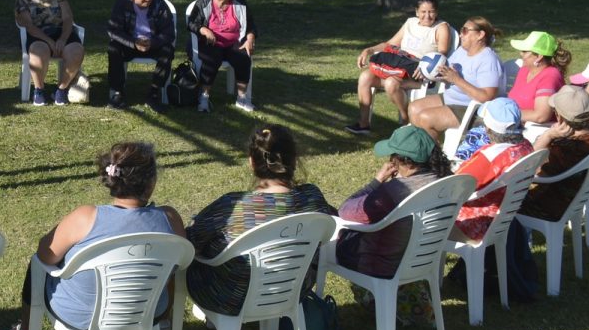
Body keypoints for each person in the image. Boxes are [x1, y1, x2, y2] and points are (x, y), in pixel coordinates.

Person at [0, 142, 185, 330]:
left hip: (82, 316)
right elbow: (179, 264)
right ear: (151, 182)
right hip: (149, 312)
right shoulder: (170, 219)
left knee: (37, 265)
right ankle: (164, 325)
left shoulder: (86, 218)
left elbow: (45, 255)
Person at [185, 125, 335, 315]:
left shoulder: (232, 206)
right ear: (294, 160)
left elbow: (190, 242)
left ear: (252, 162)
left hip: (231, 299)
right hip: (292, 291)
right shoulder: (313, 197)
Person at [334, 125, 452, 279]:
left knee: (332, 221)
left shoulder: (395, 191)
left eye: (393, 156)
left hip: (381, 266)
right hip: (423, 261)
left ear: (406, 162)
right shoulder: (447, 181)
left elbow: (344, 211)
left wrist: (377, 181)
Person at [347, 0, 454, 135]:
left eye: (431, 12)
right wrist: (369, 50)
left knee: (391, 83)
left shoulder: (441, 28)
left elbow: (441, 55)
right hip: (399, 67)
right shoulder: (410, 23)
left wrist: (425, 68)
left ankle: (405, 119)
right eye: (423, 12)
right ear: (417, 12)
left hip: (420, 74)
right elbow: (389, 44)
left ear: (437, 12)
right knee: (365, 77)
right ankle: (363, 124)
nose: (427, 16)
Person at [407, 16, 505, 142]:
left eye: (465, 31)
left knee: (425, 118)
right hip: (452, 98)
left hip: (471, 108)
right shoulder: (462, 51)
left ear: (480, 35)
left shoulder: (488, 60)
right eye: (461, 30)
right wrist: (428, 71)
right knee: (414, 108)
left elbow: (487, 96)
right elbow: (446, 71)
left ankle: (431, 152)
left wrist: (456, 80)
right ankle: (422, 146)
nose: (460, 34)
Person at [449, 98, 534, 244]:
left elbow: (453, 187)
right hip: (503, 220)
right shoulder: (526, 146)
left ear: (488, 129)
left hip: (476, 223)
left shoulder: (490, 157)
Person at [520, 85, 589, 222]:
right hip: (575, 197)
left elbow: (526, 166)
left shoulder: (564, 147)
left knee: (501, 199)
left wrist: (547, 136)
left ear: (559, 117)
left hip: (549, 204)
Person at [14, 0, 85, 107]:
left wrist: (63, 38)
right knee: (39, 52)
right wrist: (50, 42)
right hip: (37, 35)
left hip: (61, 31)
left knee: (76, 51)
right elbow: (29, 26)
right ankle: (39, 90)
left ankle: (62, 89)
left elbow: (68, 17)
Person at [186, 0, 257, 113]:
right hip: (211, 43)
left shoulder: (239, 2)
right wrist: (204, 30)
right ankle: (204, 98)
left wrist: (250, 39)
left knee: (243, 57)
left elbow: (250, 25)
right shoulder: (203, 3)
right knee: (211, 60)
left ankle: (242, 98)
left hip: (234, 42)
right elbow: (192, 23)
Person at [106, 0, 177, 110]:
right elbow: (113, 30)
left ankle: (154, 92)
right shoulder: (122, 3)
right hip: (130, 43)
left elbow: (169, 33)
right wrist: (133, 42)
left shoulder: (159, 4)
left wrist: (153, 42)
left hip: (152, 44)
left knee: (167, 50)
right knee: (114, 48)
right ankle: (117, 92)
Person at [507, 31, 571, 126]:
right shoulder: (525, 70)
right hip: (516, 125)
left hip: (537, 130)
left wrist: (506, 114)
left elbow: (541, 116)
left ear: (539, 57)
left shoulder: (550, 76)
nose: (520, 54)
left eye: (525, 51)